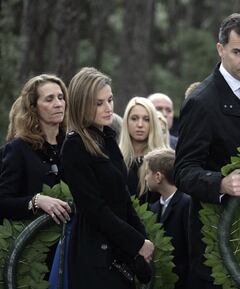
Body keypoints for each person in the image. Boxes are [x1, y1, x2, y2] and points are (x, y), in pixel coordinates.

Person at [174, 13, 240, 289]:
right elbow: (183, 171)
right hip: (218, 237)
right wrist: (220, 182)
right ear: (220, 49)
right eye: (238, 52)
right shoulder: (201, 101)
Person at [61, 67, 154, 289]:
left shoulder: (107, 138)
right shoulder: (74, 146)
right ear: (82, 104)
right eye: (99, 103)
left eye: (110, 100)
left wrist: (142, 240)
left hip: (119, 250)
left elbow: (122, 197)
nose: (108, 108)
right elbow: (94, 209)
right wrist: (136, 242)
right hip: (95, 254)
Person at [0, 74, 71, 224]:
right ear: (33, 107)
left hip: (74, 239)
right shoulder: (18, 148)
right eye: (49, 99)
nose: (58, 104)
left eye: (60, 97)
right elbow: (3, 202)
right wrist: (36, 201)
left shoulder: (74, 145)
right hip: (34, 243)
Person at [145, 148, 191, 289]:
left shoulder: (186, 204)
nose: (145, 177)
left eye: (147, 173)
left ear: (158, 176)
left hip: (184, 280)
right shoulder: (153, 208)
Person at [119, 96, 167, 201]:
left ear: (153, 123)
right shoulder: (115, 157)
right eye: (134, 118)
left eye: (146, 119)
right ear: (126, 122)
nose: (140, 125)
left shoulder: (164, 161)